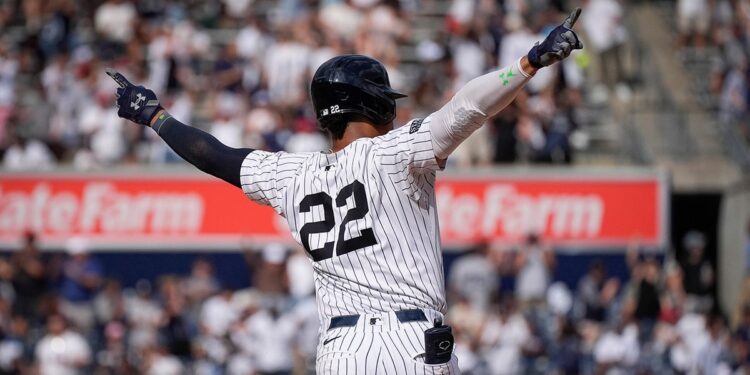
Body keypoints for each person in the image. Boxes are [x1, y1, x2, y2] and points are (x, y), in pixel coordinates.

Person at [106, 9, 583, 373]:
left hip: (339, 352)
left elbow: (213, 155)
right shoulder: (396, 153)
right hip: (408, 344)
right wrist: (529, 62)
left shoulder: (290, 175)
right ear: (372, 104)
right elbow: (465, 109)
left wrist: (155, 116)